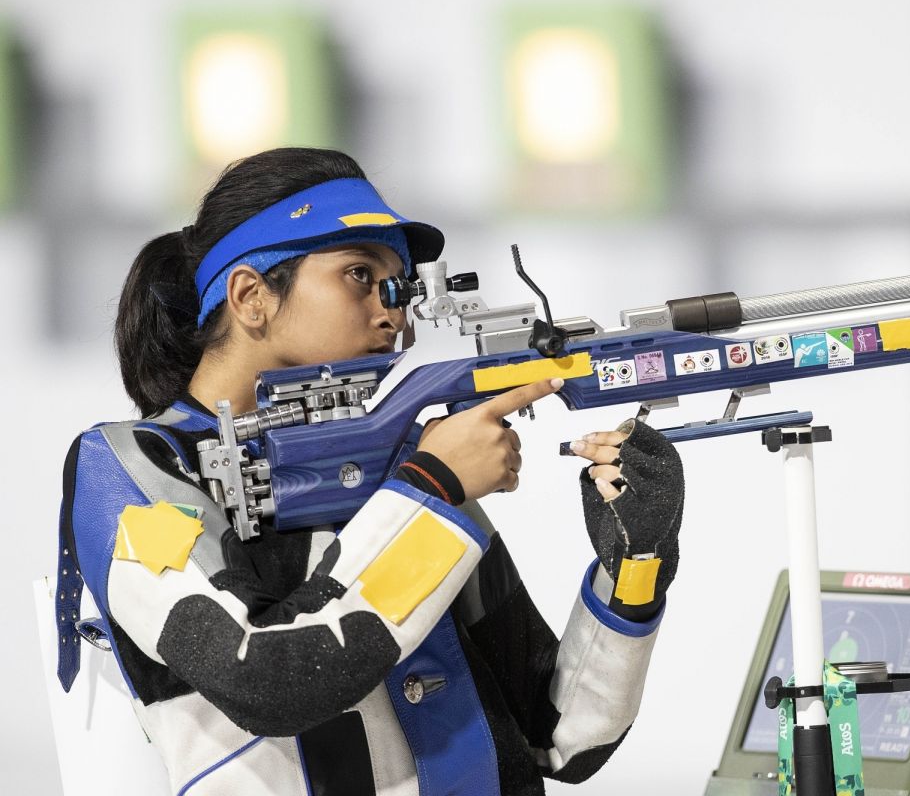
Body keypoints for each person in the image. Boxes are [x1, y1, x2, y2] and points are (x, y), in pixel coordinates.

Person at [55, 147, 685, 795]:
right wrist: (433, 488)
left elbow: (561, 739)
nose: (394, 314)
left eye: (400, 288)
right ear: (250, 296)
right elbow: (265, 681)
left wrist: (633, 570)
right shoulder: (132, 466)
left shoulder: (397, 463)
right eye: (360, 275)